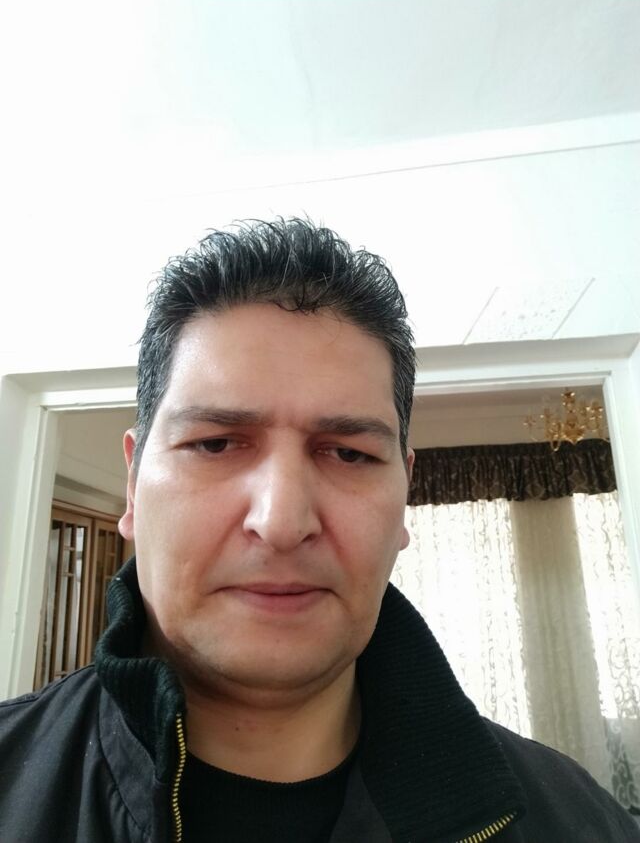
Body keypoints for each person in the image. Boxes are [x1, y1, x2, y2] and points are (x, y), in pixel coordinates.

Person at [0, 219, 638, 843]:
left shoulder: (579, 821)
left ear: (404, 495)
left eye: (349, 454)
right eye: (215, 443)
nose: (281, 523)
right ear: (133, 486)